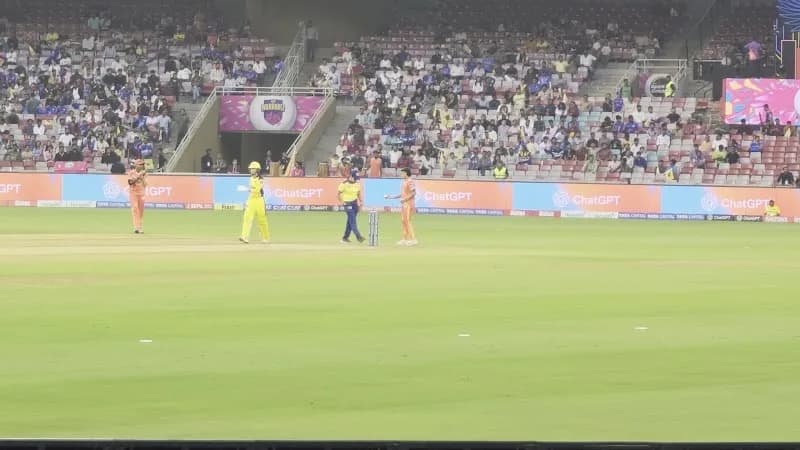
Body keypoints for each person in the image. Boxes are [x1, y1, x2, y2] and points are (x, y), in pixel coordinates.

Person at [384, 167, 417, 246]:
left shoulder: (410, 181)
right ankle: (404, 239)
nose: (401, 174)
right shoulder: (404, 182)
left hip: (409, 204)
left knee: (408, 221)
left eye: (402, 173)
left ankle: (413, 239)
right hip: (404, 204)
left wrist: (405, 199)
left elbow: (413, 193)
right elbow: (402, 194)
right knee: (403, 221)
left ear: (406, 173)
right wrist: (390, 197)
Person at [239, 162, 270, 244]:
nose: (251, 170)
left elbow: (257, 190)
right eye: (251, 169)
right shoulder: (251, 178)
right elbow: (252, 189)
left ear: (257, 170)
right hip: (251, 200)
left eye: (253, 169)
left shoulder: (261, 179)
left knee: (262, 220)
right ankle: (244, 237)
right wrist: (248, 190)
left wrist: (247, 189)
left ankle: (265, 238)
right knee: (247, 218)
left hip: (259, 201)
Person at [337, 169, 365, 243]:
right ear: (351, 176)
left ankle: (345, 238)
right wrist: (343, 202)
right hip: (347, 203)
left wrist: (361, 202)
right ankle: (359, 237)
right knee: (353, 221)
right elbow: (338, 195)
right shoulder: (344, 184)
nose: (357, 180)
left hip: (355, 203)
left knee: (350, 221)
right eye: (356, 178)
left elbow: (358, 193)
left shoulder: (357, 184)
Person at [127, 159, 147, 234]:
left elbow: (145, 185)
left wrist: (142, 178)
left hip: (141, 193)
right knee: (135, 208)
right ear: (136, 165)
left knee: (140, 211)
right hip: (133, 193)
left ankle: (139, 226)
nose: (141, 166)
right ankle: (137, 227)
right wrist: (139, 176)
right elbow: (130, 182)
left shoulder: (144, 174)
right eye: (140, 164)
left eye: (142, 165)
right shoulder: (131, 173)